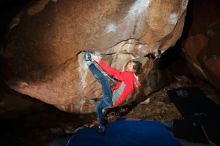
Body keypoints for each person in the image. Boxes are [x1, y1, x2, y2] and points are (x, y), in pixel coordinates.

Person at [84, 52, 142, 133]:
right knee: (98, 108)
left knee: (104, 80)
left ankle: (89, 63)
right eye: (129, 63)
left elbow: (112, 72)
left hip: (111, 99)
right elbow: (136, 85)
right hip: (112, 103)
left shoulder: (128, 75)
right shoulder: (133, 79)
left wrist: (97, 60)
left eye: (130, 65)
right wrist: (136, 78)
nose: (127, 65)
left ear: (134, 70)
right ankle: (101, 126)